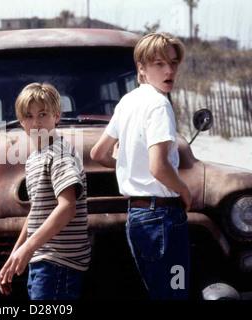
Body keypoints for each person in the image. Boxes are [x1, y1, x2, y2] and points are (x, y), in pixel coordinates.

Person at [90, 32, 191, 300]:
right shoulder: (159, 104)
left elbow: (98, 153)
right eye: (159, 64)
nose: (169, 70)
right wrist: (184, 190)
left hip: (137, 217)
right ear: (141, 68)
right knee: (175, 292)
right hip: (164, 217)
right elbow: (159, 168)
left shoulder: (127, 102)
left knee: (158, 292)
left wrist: (126, 164)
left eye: (173, 63)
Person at [0, 82, 91, 300]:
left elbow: (67, 208)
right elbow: (36, 212)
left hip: (60, 263)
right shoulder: (34, 159)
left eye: (43, 114)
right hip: (44, 261)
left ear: (56, 116)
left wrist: (28, 248)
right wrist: (15, 255)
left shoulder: (59, 153)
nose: (36, 122)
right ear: (21, 121)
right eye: (29, 116)